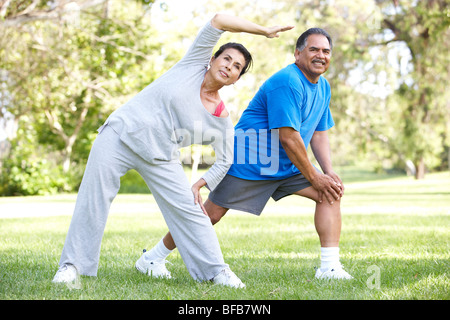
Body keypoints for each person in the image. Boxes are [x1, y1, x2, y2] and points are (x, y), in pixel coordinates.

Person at [52, 13, 294, 288]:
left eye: (237, 66)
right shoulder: (191, 65)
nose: (229, 66)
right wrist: (263, 30)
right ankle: (72, 266)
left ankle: (216, 271)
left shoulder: (220, 118)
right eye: (226, 58)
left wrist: (201, 184)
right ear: (213, 59)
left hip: (160, 156)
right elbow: (218, 20)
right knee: (94, 199)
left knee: (192, 210)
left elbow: (225, 159)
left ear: (236, 79)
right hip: (120, 134)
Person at [146, 27, 353, 280]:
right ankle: (152, 259)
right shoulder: (287, 82)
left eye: (326, 51)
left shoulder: (323, 87)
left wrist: (328, 174)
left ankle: (329, 268)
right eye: (313, 49)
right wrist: (314, 175)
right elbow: (288, 136)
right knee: (209, 216)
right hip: (249, 162)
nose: (320, 55)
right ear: (298, 53)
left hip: (287, 164)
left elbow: (319, 133)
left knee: (329, 192)